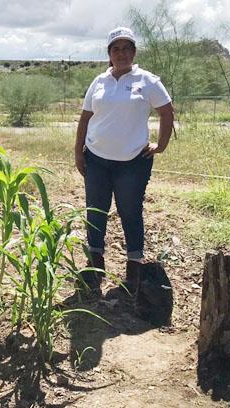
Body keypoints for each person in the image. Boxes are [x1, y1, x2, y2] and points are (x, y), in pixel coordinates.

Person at [75, 26, 175, 296]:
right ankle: (95, 265)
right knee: (95, 211)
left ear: (134, 52)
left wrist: (161, 145)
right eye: (116, 49)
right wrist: (78, 152)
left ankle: (133, 269)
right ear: (109, 54)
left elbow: (167, 111)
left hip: (133, 161)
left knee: (130, 211)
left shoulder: (148, 81)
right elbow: (85, 118)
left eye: (127, 48)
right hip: (96, 159)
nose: (122, 53)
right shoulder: (99, 82)